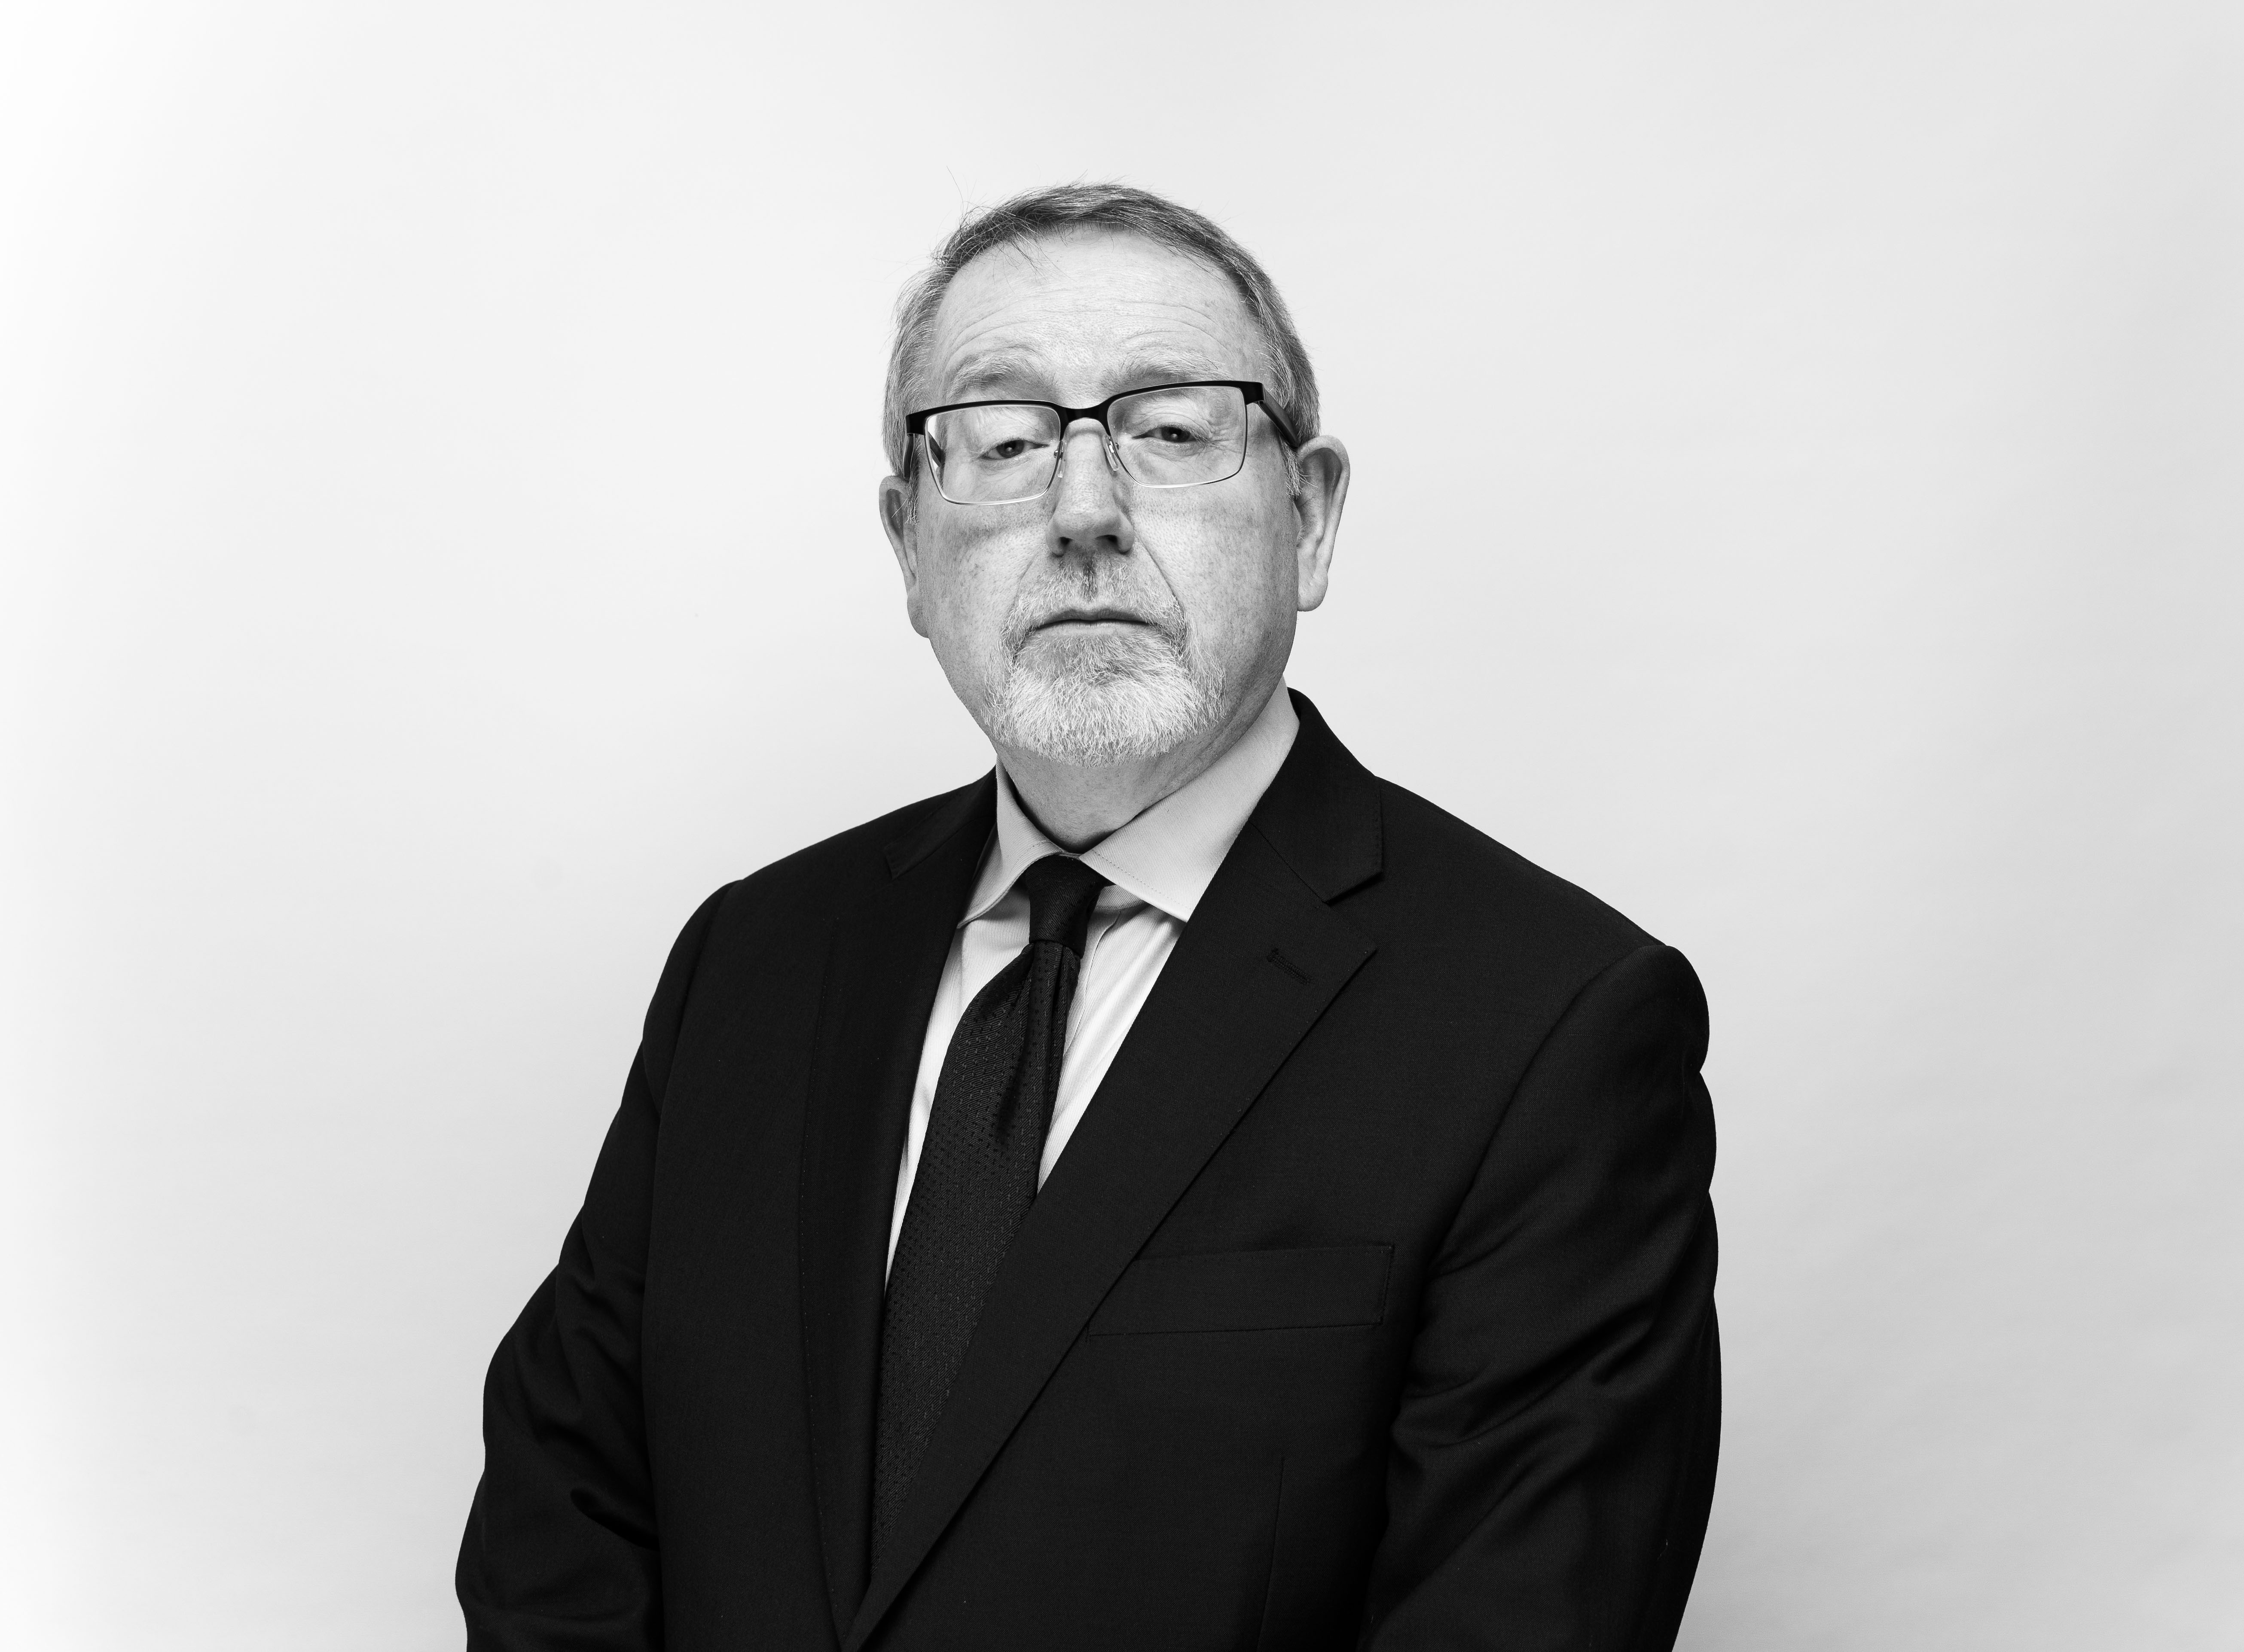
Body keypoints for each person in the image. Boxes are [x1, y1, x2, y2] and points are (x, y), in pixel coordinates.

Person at [458, 183, 1719, 1652]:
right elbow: (567, 1523)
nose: (1082, 512)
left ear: (1310, 519)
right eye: (1002, 443)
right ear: (909, 544)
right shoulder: (753, 961)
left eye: (1171, 431)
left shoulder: (1550, 1026)